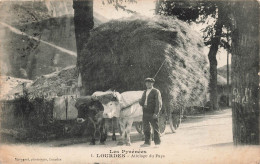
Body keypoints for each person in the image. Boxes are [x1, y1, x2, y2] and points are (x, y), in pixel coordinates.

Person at [139, 78, 162, 147]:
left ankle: (157, 143)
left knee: (155, 127)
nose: (148, 84)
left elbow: (159, 103)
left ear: (152, 84)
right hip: (145, 111)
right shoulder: (145, 91)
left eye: (149, 83)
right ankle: (147, 143)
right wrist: (140, 101)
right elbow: (142, 102)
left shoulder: (156, 91)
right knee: (146, 127)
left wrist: (156, 113)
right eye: (146, 83)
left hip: (152, 111)